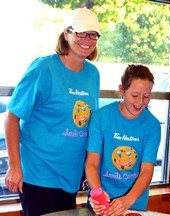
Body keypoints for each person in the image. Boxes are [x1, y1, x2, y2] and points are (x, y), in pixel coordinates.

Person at [4, 8, 101, 216]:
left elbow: (88, 124)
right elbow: (12, 118)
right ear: (66, 34)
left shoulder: (93, 74)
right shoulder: (44, 68)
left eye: (93, 34)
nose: (87, 39)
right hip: (39, 173)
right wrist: (14, 166)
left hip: (71, 176)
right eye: (81, 32)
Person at [85, 64, 161, 216]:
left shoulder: (152, 125)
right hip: (101, 196)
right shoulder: (101, 117)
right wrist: (97, 193)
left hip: (135, 200)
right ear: (122, 90)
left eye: (146, 96)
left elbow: (147, 171)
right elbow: (92, 163)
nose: (140, 101)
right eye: (135, 95)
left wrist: (128, 200)